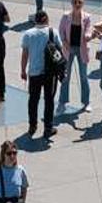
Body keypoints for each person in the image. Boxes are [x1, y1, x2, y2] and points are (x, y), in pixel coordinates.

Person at [19, 10, 59, 140]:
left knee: (33, 100)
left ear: (35, 20)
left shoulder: (28, 34)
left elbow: (25, 54)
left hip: (34, 72)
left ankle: (32, 125)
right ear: (46, 19)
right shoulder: (53, 32)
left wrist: (23, 70)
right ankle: (48, 127)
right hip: (50, 73)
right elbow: (60, 51)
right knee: (49, 100)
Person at [56, 0, 93, 116]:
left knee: (83, 76)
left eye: (79, 2)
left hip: (81, 49)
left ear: (83, 4)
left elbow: (88, 31)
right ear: (71, 3)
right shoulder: (66, 16)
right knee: (66, 76)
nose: (77, 4)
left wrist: (89, 36)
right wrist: (65, 42)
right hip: (68, 48)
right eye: (75, 2)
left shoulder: (87, 17)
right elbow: (60, 31)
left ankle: (86, 102)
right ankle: (62, 101)